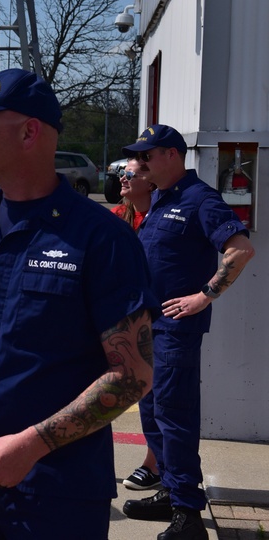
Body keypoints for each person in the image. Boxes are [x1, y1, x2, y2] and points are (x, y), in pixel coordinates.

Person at [0, 69, 157, 540]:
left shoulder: (101, 239)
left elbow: (133, 375)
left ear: (29, 131)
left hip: (54, 493)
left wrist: (33, 445)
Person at [121, 124, 255, 540]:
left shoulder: (201, 200)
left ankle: (188, 516)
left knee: (174, 417)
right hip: (147, 328)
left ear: (173, 156)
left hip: (175, 331)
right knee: (152, 415)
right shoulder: (161, 198)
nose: (141, 162)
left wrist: (204, 296)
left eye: (148, 155)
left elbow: (241, 249)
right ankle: (171, 491)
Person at [111, 158, 163, 491]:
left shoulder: (163, 217)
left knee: (157, 395)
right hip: (121, 318)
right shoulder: (117, 216)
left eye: (134, 172)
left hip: (159, 319)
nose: (125, 177)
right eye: (123, 171)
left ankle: (154, 464)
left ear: (153, 181)